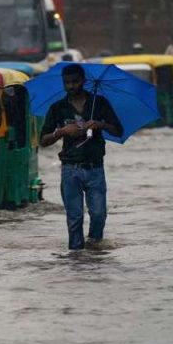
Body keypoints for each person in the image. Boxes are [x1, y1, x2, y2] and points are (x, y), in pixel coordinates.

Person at [39, 64, 123, 250]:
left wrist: (100, 124)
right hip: (70, 169)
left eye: (75, 81)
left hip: (95, 168)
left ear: (83, 81)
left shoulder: (99, 103)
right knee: (75, 217)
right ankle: (76, 257)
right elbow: (43, 141)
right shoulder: (58, 108)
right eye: (67, 82)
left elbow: (118, 130)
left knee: (99, 214)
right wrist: (61, 131)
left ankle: (94, 248)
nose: (71, 86)